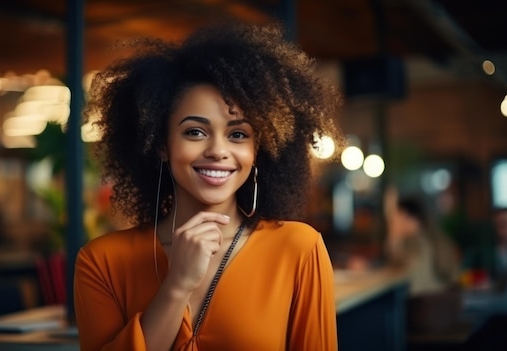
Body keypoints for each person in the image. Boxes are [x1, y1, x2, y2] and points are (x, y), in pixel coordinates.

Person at [73, 21, 343, 351]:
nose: (217, 150)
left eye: (238, 134)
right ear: (161, 144)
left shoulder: (299, 249)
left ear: (257, 151)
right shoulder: (102, 262)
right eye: (195, 132)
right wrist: (177, 284)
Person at [461, 207, 507, 350]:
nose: (499, 231)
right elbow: (500, 283)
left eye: (504, 224)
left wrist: (464, 303)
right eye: (496, 226)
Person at [383, 188, 461, 296]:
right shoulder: (437, 237)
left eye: (396, 217)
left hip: (419, 305)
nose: (393, 222)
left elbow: (394, 272)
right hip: (445, 304)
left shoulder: (412, 242)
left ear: (405, 216)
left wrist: (394, 233)